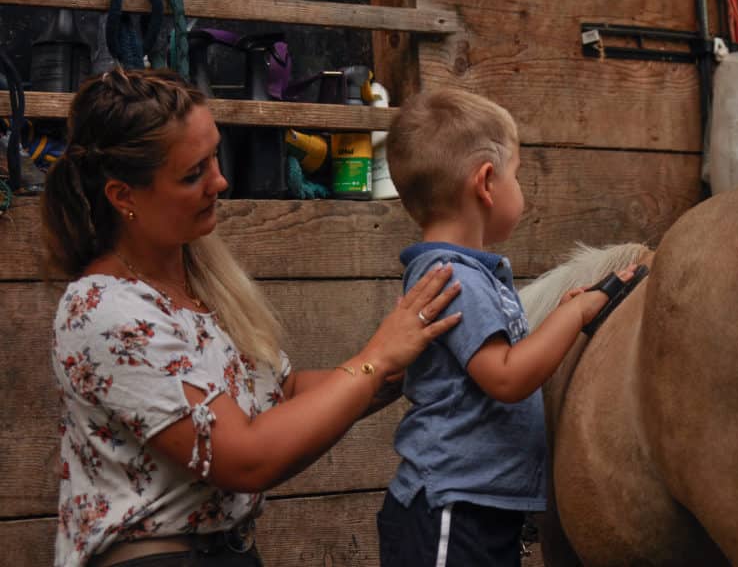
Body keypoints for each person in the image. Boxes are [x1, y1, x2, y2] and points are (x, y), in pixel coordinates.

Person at [43, 68, 463, 567]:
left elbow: (277, 397)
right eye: (192, 173)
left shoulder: (196, 279)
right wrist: (373, 359)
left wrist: (397, 371)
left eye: (214, 155)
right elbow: (243, 458)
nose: (220, 180)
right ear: (123, 196)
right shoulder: (105, 310)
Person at [378, 88, 642, 566]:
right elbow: (506, 377)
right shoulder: (453, 276)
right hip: (451, 512)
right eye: (517, 176)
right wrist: (575, 315)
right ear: (485, 183)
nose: (521, 190)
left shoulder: (471, 274)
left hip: (480, 507)